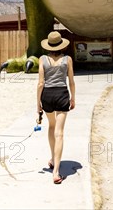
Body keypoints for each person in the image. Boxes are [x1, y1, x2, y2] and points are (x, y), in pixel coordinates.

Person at [37, 30, 75, 184]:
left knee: (51, 127)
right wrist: (73, 98)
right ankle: (56, 172)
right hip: (61, 95)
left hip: (47, 96)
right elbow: (71, 81)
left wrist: (37, 104)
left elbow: (41, 83)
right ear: (61, 45)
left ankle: (53, 158)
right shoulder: (68, 59)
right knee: (59, 133)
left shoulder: (42, 59)